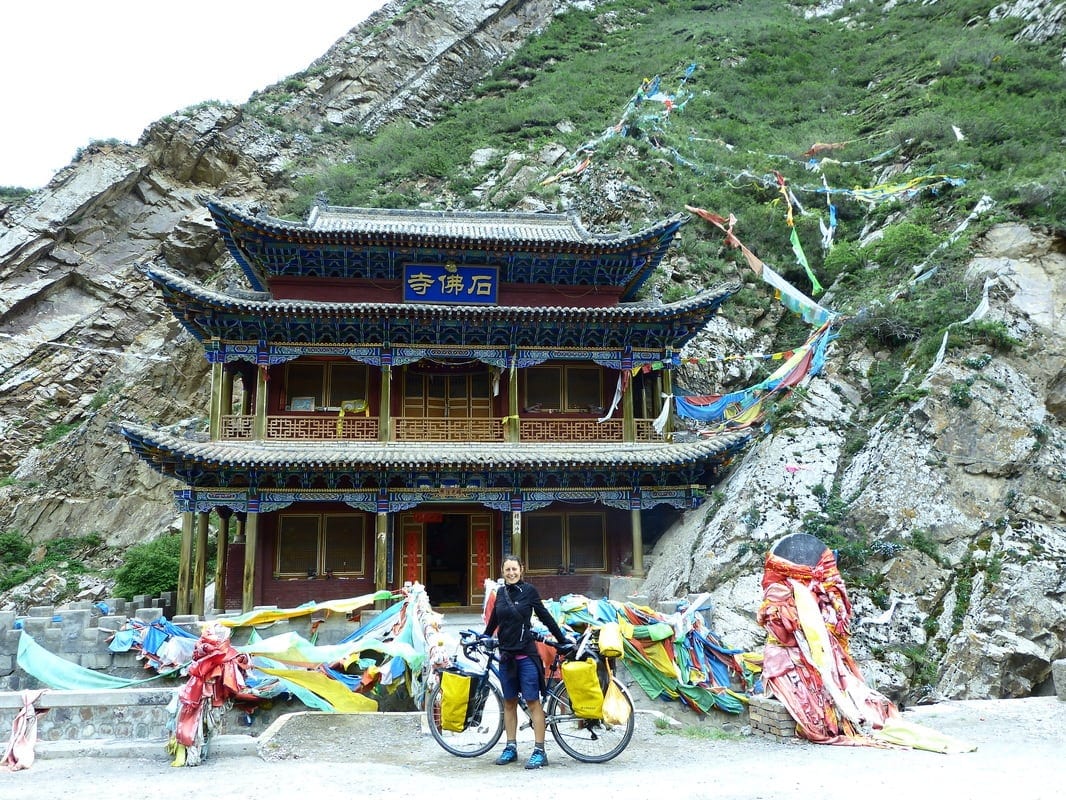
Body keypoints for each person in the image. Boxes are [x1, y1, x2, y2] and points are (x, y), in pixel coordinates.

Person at [483, 554, 571, 769]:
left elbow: (545, 617)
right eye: (507, 570)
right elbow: (494, 621)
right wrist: (483, 637)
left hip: (526, 656)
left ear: (521, 570)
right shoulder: (501, 593)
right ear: (502, 572)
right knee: (509, 702)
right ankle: (510, 747)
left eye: (514, 569)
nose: (511, 573)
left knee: (533, 702)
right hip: (506, 657)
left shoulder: (529, 592)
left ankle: (540, 751)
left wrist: (561, 640)